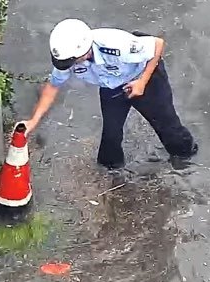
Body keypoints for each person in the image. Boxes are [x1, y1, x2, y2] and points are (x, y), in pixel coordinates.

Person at [18, 18, 198, 169]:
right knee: (111, 135)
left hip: (144, 78)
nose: (71, 67)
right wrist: (33, 121)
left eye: (73, 61)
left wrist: (142, 82)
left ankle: (187, 159)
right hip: (112, 86)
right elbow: (52, 87)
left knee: (168, 127)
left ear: (85, 51)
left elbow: (158, 45)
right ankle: (111, 173)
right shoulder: (68, 58)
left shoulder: (115, 44)